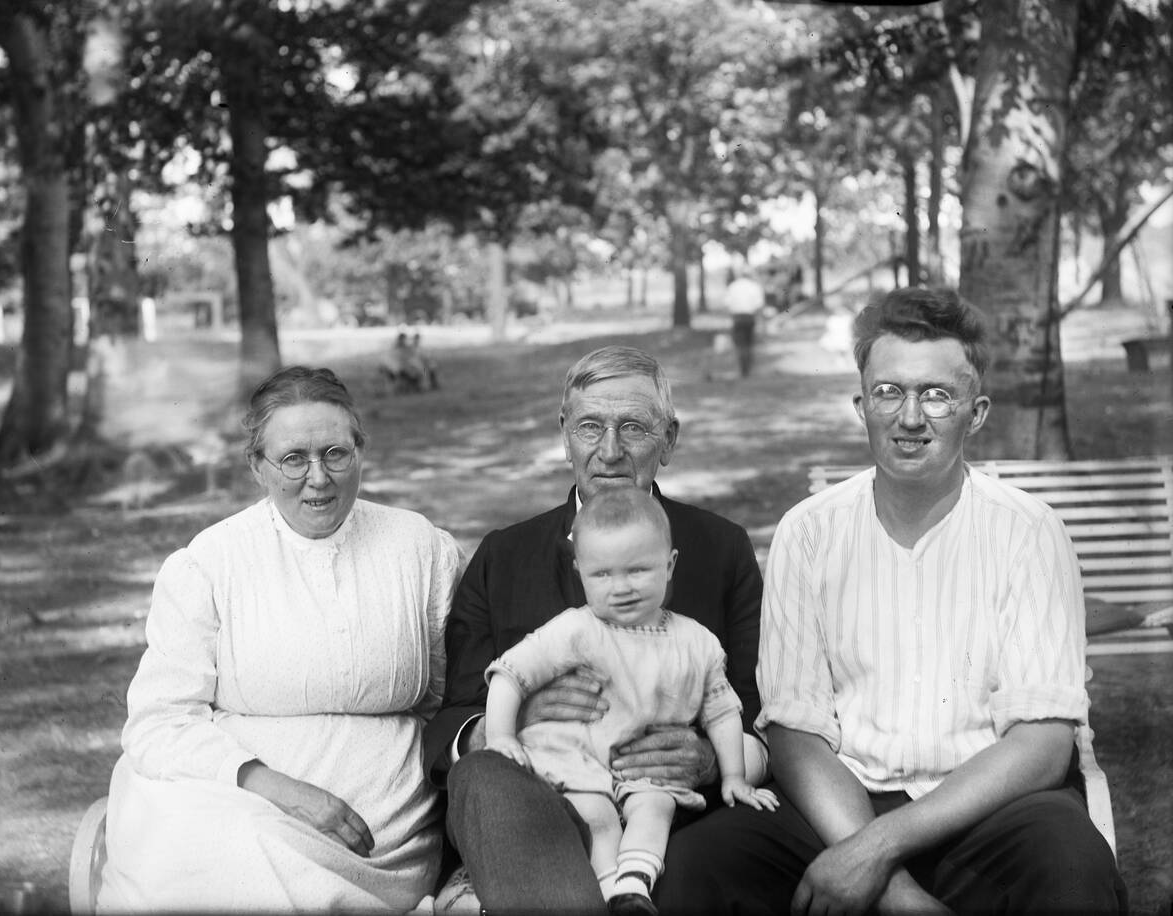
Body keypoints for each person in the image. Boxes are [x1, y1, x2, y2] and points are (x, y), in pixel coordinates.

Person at [660, 287, 1127, 914]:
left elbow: (1042, 745)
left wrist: (876, 855)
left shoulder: (1028, 530)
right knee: (700, 865)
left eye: (936, 394)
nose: (910, 418)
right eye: (889, 392)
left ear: (977, 411)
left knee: (1072, 866)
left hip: (992, 803)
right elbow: (796, 730)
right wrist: (894, 890)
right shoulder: (809, 531)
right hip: (840, 802)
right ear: (862, 405)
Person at [97, 366, 464, 912]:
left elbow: (450, 696)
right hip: (232, 794)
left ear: (360, 451)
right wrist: (278, 790)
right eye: (293, 458)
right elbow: (158, 721)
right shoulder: (210, 562)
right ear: (258, 467)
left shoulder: (421, 549)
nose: (318, 477)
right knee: (222, 860)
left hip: (379, 834)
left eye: (335, 453)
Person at [421, 345, 766, 914]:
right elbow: (451, 721)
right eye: (589, 427)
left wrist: (707, 759)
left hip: (669, 814)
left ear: (669, 440)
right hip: (530, 803)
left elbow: (755, 712)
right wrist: (514, 724)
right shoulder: (504, 555)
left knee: (707, 864)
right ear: (564, 435)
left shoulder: (721, 549)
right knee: (484, 776)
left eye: (633, 427)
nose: (609, 451)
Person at [483, 489, 778, 914]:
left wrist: (733, 775)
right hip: (577, 762)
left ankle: (634, 884)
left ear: (670, 565)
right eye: (602, 575)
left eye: (638, 570)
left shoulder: (696, 642)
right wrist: (500, 735)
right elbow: (510, 674)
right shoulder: (574, 630)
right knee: (597, 817)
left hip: (647, 772)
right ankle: (608, 890)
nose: (621, 587)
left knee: (656, 806)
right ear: (579, 570)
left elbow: (722, 710)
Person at [724, 264, 765, 378]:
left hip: (737, 317)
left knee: (740, 344)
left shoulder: (733, 286)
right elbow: (759, 306)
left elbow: (727, 305)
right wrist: (761, 321)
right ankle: (748, 369)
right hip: (749, 317)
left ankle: (743, 369)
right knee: (749, 343)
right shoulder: (754, 286)